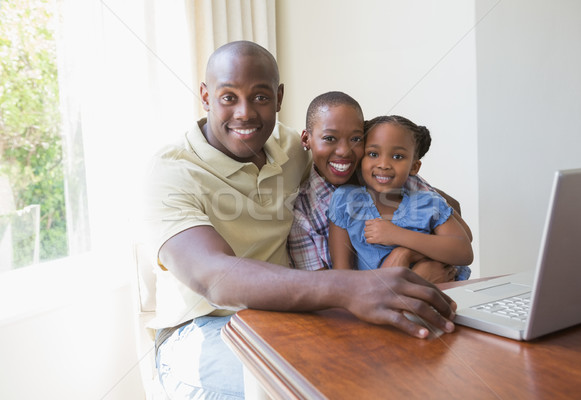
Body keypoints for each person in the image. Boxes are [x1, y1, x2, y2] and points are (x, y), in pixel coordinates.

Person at [143, 41, 458, 400]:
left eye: (260, 97)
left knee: (415, 361)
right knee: (317, 380)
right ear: (205, 95)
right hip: (202, 329)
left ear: (278, 98)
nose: (244, 113)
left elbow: (432, 202)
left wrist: (410, 254)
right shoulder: (170, 172)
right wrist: (351, 287)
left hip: (291, 316)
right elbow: (215, 275)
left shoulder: (295, 147)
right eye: (228, 97)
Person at [288, 92, 471, 283]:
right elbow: (330, 288)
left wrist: (406, 252)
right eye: (329, 138)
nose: (344, 151)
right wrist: (416, 279)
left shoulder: (393, 178)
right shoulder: (305, 213)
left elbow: (461, 242)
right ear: (306, 139)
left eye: (356, 139)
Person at [328, 115, 473, 279]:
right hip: (376, 299)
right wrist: (413, 279)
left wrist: (398, 239)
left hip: (442, 296)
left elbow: (464, 252)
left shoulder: (427, 202)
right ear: (361, 158)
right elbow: (342, 277)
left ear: (414, 166)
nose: (383, 164)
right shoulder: (346, 201)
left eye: (397, 157)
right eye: (373, 154)